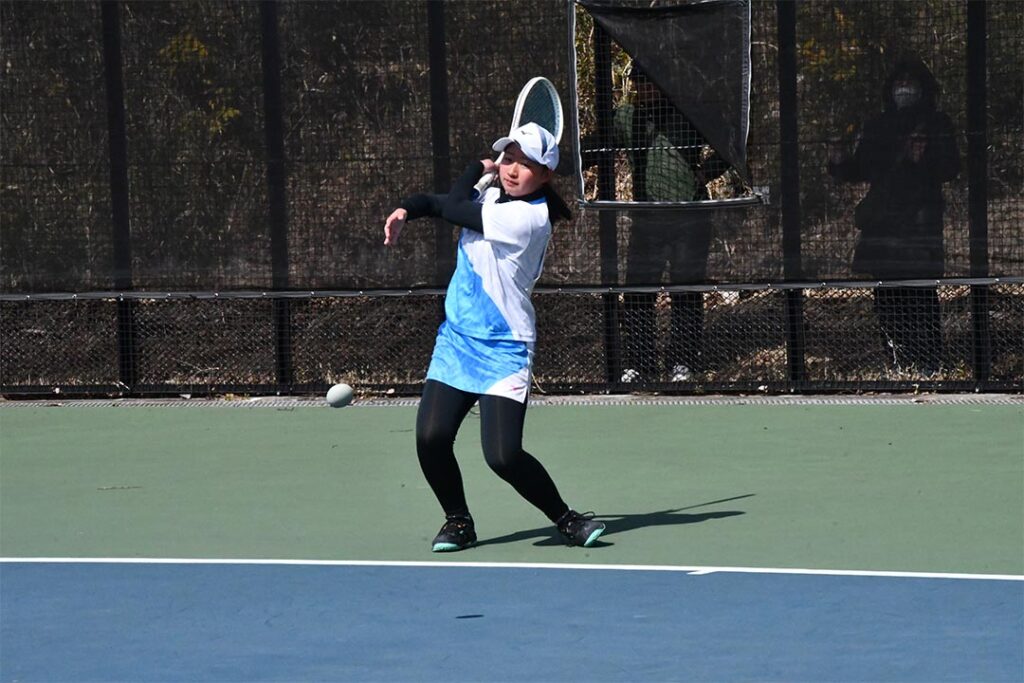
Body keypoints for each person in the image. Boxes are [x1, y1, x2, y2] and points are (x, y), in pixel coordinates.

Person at [383, 122, 606, 552]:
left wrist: (476, 167)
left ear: (545, 175)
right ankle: (458, 521)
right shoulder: (490, 199)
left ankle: (567, 519)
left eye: (525, 164)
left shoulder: (529, 218)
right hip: (457, 342)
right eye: (508, 159)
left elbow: (453, 209)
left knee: (503, 456)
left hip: (505, 349)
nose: (512, 169)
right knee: (430, 438)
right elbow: (436, 202)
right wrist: (406, 210)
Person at [828, 56, 959, 375]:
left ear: (923, 87)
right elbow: (862, 169)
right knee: (887, 296)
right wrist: (839, 162)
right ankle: (898, 362)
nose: (904, 87)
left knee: (921, 295)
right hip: (882, 226)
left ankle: (929, 363)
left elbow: (950, 168)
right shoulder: (877, 124)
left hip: (919, 223)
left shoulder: (936, 123)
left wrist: (922, 158)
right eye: (899, 81)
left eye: (910, 81)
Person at [614, 67, 727, 383]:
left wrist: (706, 172)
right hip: (647, 219)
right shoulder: (626, 117)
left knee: (686, 290)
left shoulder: (691, 112)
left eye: (649, 82)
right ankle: (640, 362)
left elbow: (729, 143)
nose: (643, 88)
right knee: (637, 292)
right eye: (638, 82)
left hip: (689, 219)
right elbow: (594, 146)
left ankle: (683, 361)